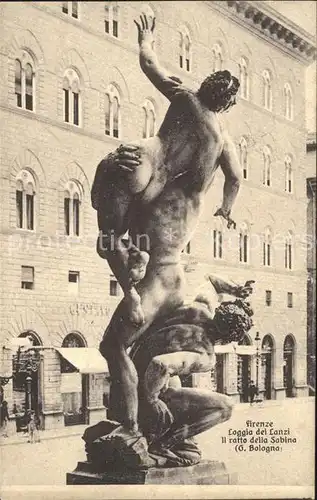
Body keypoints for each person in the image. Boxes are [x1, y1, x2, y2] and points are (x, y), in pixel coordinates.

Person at [94, 14, 242, 439]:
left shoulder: (186, 100)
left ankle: (129, 429)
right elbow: (234, 179)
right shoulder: (218, 148)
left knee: (114, 346)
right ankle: (144, 421)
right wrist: (227, 207)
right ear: (227, 104)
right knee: (149, 347)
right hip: (172, 269)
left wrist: (146, 37)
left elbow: (150, 65)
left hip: (157, 273)